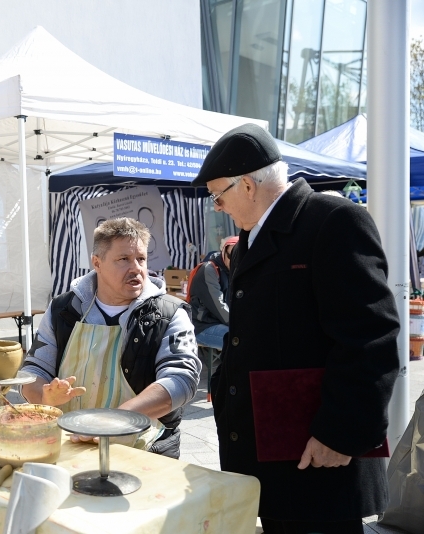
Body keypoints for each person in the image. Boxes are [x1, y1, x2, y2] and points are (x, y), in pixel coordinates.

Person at [192, 123, 400, 533]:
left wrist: (340, 434)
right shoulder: (253, 235)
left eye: (219, 194)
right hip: (276, 451)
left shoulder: (334, 221)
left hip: (318, 453)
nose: (217, 206)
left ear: (248, 186)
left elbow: (371, 337)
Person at [21, 217, 201, 458]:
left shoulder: (171, 313)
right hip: (69, 444)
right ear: (97, 262)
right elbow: (33, 372)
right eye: (123, 259)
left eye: (141, 259)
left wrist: (116, 420)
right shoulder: (63, 309)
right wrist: (45, 396)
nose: (136, 268)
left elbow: (182, 379)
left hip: (143, 448)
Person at [188, 235, 238, 351]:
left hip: (221, 323)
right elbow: (219, 306)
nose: (234, 260)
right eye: (231, 256)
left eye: (237, 256)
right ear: (223, 252)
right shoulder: (209, 269)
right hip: (202, 326)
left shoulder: (235, 270)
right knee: (242, 339)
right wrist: (241, 324)